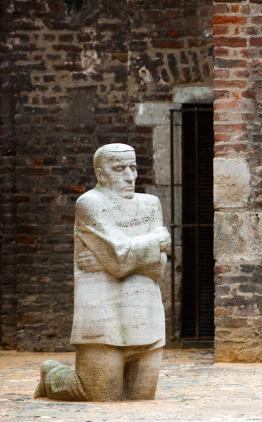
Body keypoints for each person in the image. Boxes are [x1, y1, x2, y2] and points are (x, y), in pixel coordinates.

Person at [34, 143, 170, 401]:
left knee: (141, 398)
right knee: (98, 394)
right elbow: (119, 257)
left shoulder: (151, 204)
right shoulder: (90, 203)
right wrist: (153, 243)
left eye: (133, 167)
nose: (129, 176)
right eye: (119, 169)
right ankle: (51, 375)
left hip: (147, 316)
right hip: (105, 318)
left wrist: (106, 260)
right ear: (101, 174)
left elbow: (159, 266)